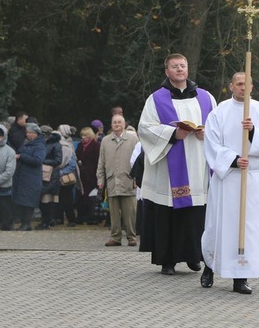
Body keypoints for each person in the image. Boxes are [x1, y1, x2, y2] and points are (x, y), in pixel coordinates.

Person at [200, 72, 259, 293]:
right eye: (239, 84)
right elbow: (211, 143)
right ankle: (210, 265)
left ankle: (241, 277)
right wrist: (232, 159)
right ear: (231, 86)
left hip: (252, 178)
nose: (243, 88)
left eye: (247, 84)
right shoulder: (219, 112)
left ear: (252, 87)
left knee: (248, 228)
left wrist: (253, 132)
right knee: (219, 224)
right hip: (228, 178)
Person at [138, 53, 216, 275]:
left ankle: (194, 256)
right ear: (167, 72)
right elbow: (145, 128)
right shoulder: (156, 99)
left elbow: (217, 126)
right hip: (168, 169)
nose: (180, 69)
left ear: (188, 69)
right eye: (175, 66)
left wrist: (206, 133)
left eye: (183, 65)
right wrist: (173, 133)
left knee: (195, 213)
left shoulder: (206, 97)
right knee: (168, 213)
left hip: (198, 163)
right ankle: (168, 260)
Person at [97, 114, 140, 246]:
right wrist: (100, 179)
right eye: (114, 122)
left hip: (128, 179)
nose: (117, 124)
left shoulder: (133, 139)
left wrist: (137, 178)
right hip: (112, 180)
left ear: (124, 124)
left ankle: (132, 237)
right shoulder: (105, 141)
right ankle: (115, 237)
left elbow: (139, 160)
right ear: (111, 125)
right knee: (114, 213)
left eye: (119, 122)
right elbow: (101, 161)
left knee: (130, 212)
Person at [12, 123, 46, 231]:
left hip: (32, 178)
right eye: (27, 132)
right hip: (21, 176)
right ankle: (23, 223)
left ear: (36, 133)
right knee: (21, 201)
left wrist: (21, 156)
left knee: (28, 201)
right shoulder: (26, 143)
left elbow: (37, 160)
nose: (28, 134)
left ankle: (27, 223)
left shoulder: (40, 146)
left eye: (30, 132)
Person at [37, 125, 63, 229]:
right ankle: (47, 220)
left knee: (46, 200)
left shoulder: (56, 145)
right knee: (41, 200)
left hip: (50, 175)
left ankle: (46, 221)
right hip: (42, 174)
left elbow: (58, 160)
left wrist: (42, 161)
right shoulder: (43, 143)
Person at [76, 126, 101, 223]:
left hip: (92, 174)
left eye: (85, 135)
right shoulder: (80, 145)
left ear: (90, 136)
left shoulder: (96, 146)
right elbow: (77, 155)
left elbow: (98, 160)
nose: (83, 137)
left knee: (90, 197)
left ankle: (91, 217)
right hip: (81, 174)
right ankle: (81, 216)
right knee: (81, 196)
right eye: (82, 135)